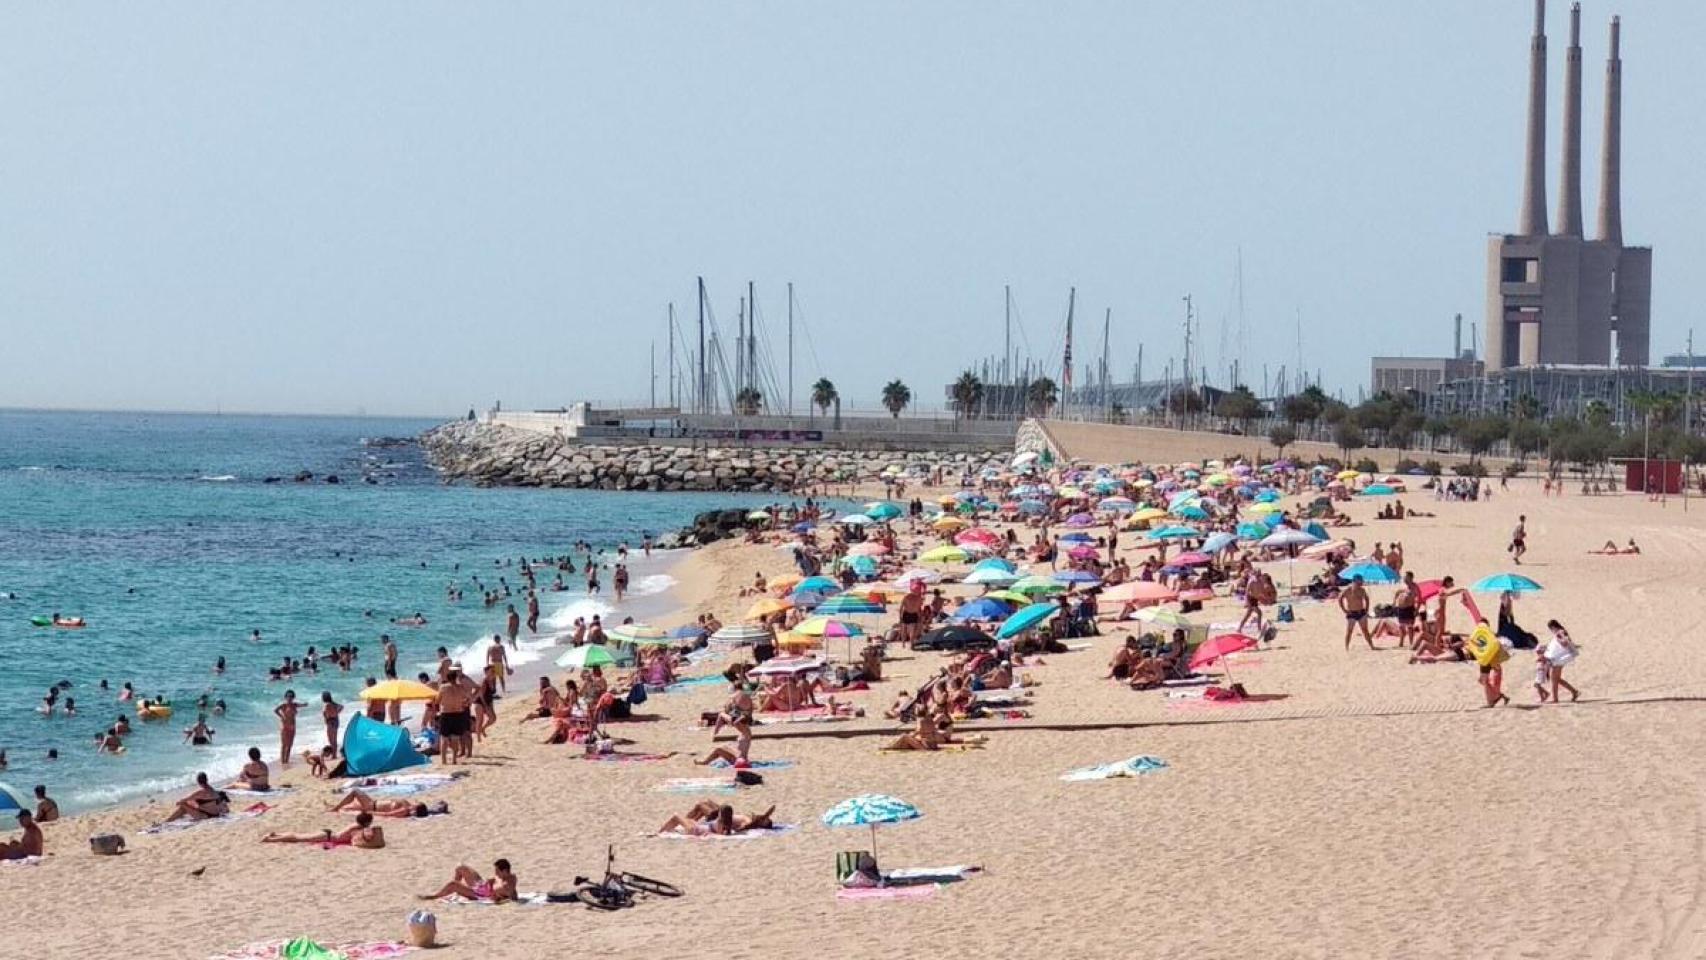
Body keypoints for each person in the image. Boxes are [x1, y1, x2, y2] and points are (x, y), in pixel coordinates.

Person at [262, 811, 386, 848]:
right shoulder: (358, 828)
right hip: (327, 836)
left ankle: (276, 834)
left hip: (329, 833)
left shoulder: (357, 826)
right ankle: (271, 839)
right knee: (297, 838)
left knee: (299, 836)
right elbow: (358, 841)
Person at [418, 860, 517, 903]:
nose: (495, 873)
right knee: (461, 867)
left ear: (504, 871)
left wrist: (495, 880)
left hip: (479, 894)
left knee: (452, 885)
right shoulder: (510, 877)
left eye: (497, 871)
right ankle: (455, 894)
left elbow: (496, 896)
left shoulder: (504, 884)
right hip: (481, 885)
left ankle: (435, 896)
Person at [657, 801, 775, 836]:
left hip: (703, 827)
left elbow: (747, 826)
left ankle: (659, 833)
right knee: (705, 803)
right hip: (708, 826)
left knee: (678, 816)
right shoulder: (726, 825)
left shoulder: (748, 822)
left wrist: (765, 817)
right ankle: (681, 823)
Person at [329, 788, 448, 819]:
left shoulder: (405, 810)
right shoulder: (409, 805)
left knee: (355, 792)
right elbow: (425, 807)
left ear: (414, 810)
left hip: (371, 806)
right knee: (348, 806)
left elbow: (388, 815)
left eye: (416, 805)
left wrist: (369, 812)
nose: (415, 803)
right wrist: (438, 808)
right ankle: (334, 807)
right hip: (373, 803)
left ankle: (335, 808)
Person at [164, 773, 230, 822]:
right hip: (215, 814)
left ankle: (167, 821)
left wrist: (179, 802)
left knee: (183, 805)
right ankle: (172, 819)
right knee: (189, 804)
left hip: (206, 816)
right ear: (207, 780)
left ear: (198, 782)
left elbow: (183, 800)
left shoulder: (201, 792)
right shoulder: (213, 790)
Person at [1543, 619, 1581, 703]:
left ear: (1553, 627)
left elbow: (1565, 643)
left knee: (1554, 678)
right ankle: (1574, 692)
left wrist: (1558, 638)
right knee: (1557, 679)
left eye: (1551, 628)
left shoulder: (1560, 632)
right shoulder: (1561, 632)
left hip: (1559, 658)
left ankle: (1555, 698)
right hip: (1559, 657)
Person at [1338, 575, 1374, 650]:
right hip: (1351, 613)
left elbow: (1366, 599)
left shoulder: (1362, 590)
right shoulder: (1347, 590)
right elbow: (1340, 599)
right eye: (1360, 581)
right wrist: (1344, 609)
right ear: (1355, 581)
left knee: (1365, 630)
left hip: (1361, 612)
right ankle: (1346, 647)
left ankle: (1371, 646)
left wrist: (1366, 609)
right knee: (1349, 631)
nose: (1361, 583)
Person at [274, 690, 299, 766]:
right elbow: (275, 710)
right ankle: (282, 761)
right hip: (285, 727)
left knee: (290, 745)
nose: (290, 698)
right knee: (284, 745)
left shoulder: (294, 705)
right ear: (285, 697)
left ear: (293, 697)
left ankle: (286, 761)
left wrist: (305, 704)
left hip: (293, 727)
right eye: (288, 696)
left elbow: (303, 705)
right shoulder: (283, 705)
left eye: (291, 696)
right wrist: (282, 716)